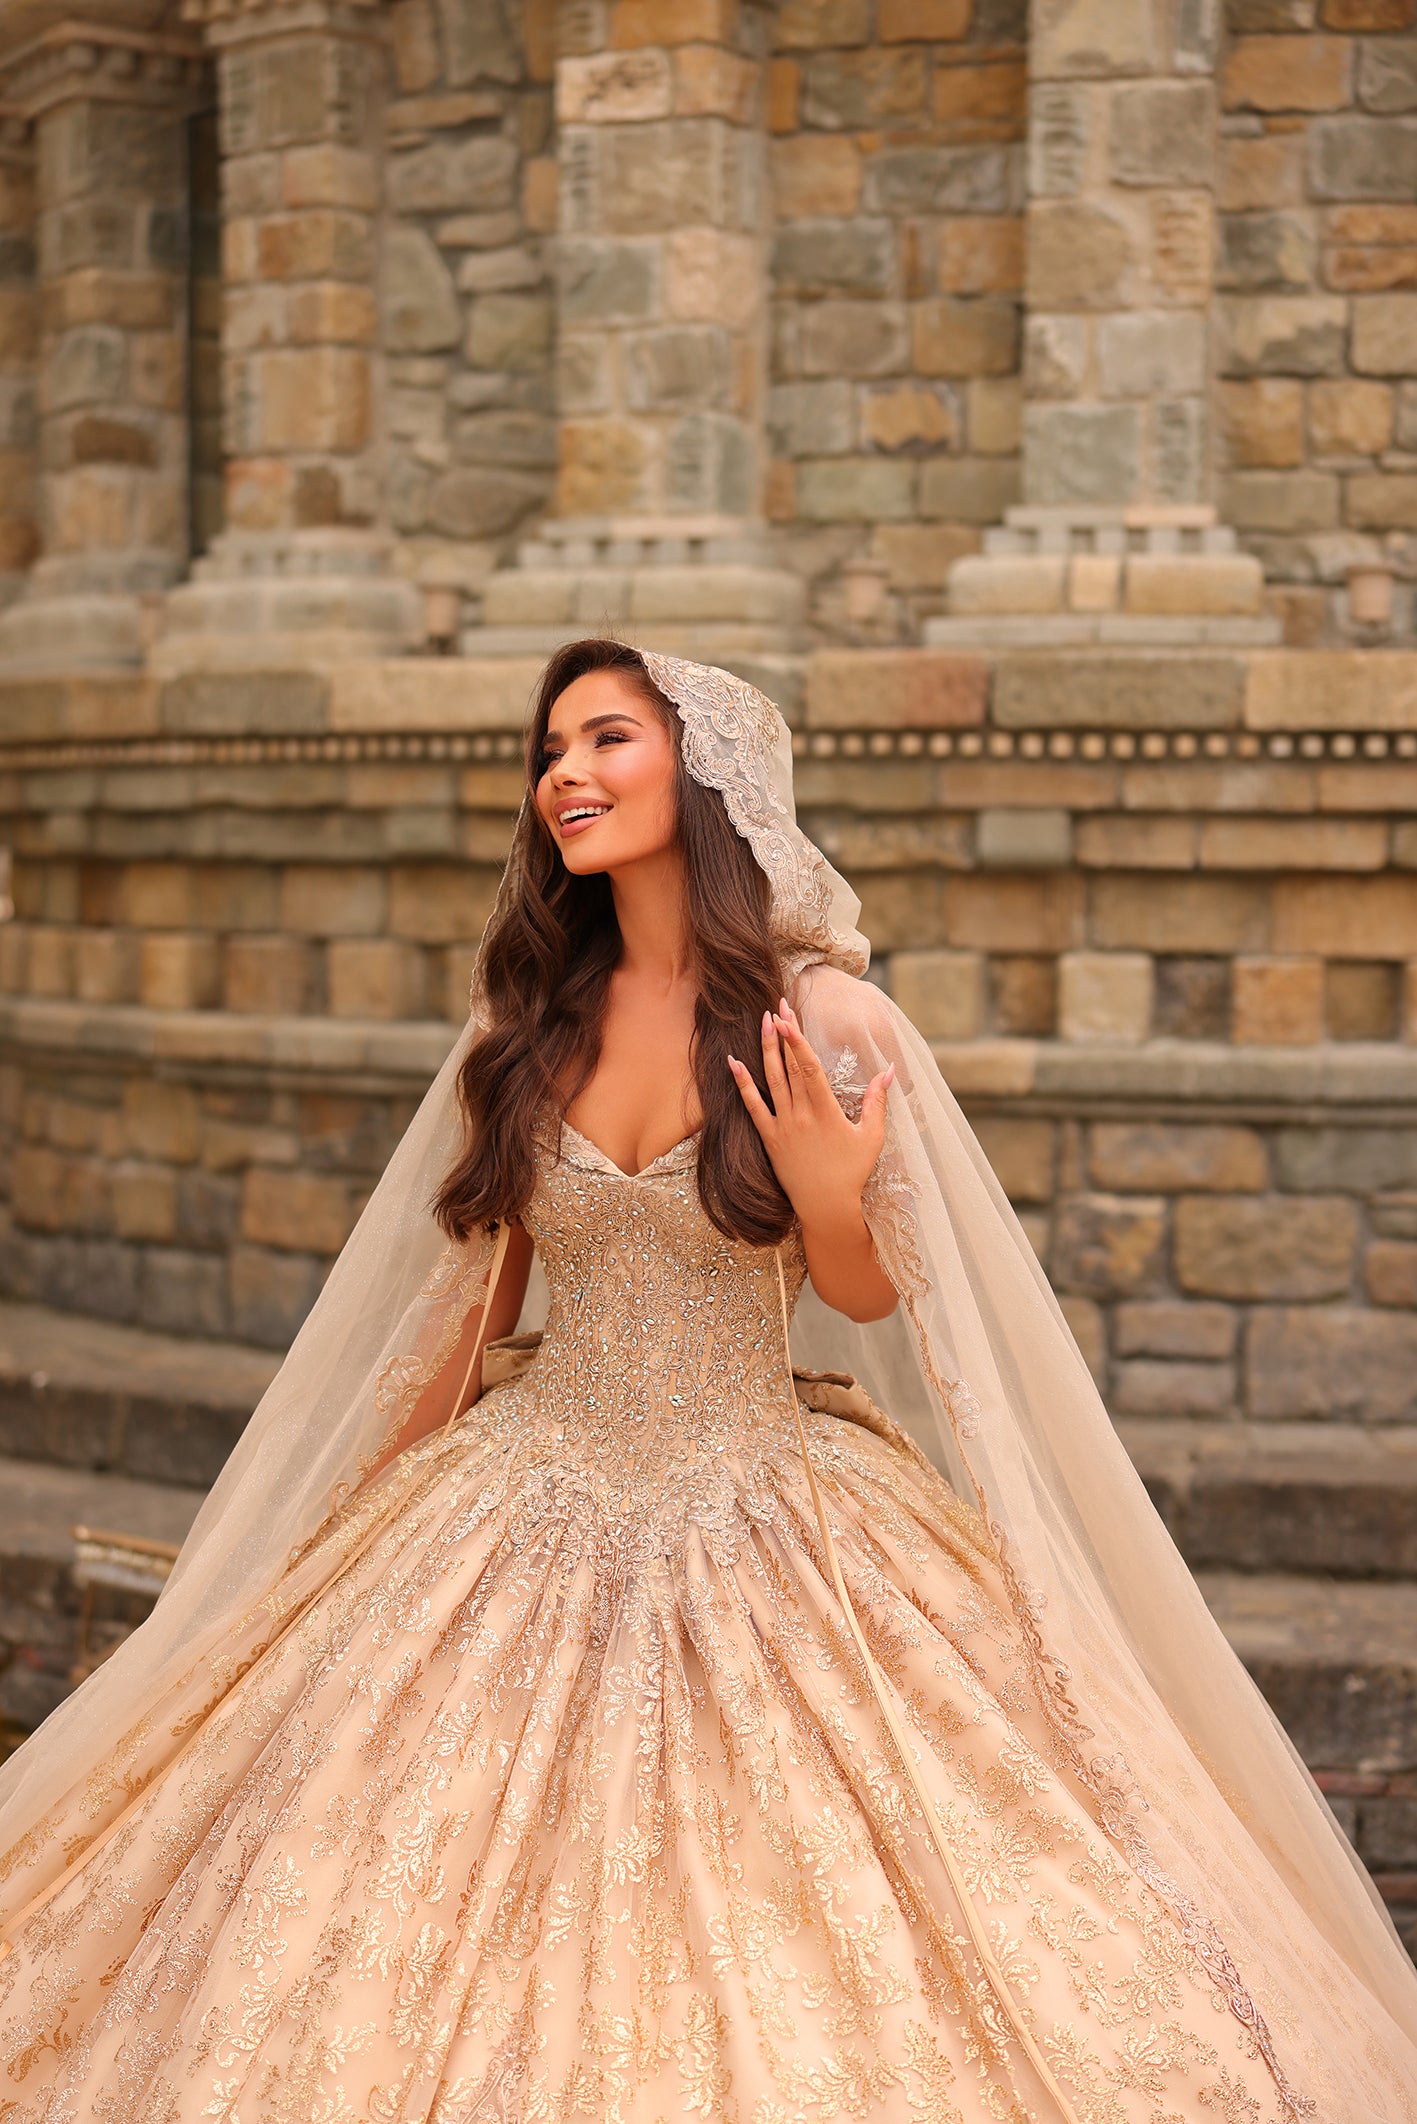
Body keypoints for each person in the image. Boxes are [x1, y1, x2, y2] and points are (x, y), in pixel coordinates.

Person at [0, 639, 1414, 2122]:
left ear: (710, 771)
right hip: (518, 1492)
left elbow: (871, 1296)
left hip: (765, 1497)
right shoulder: (525, 1032)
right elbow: (461, 1314)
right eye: (550, 748)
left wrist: (821, 1193)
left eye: (606, 738)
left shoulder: (830, 1025)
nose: (564, 774)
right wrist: (303, 1571)